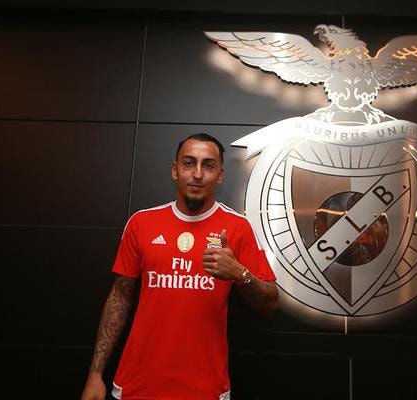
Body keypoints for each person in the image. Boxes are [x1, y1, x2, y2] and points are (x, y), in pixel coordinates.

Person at [80, 133, 278, 400]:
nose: (198, 174)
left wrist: (239, 274)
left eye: (208, 165)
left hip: (205, 389)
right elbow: (120, 297)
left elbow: (270, 303)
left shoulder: (238, 228)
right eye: (189, 163)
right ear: (175, 170)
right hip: (137, 386)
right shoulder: (142, 223)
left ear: (220, 175)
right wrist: (95, 373)